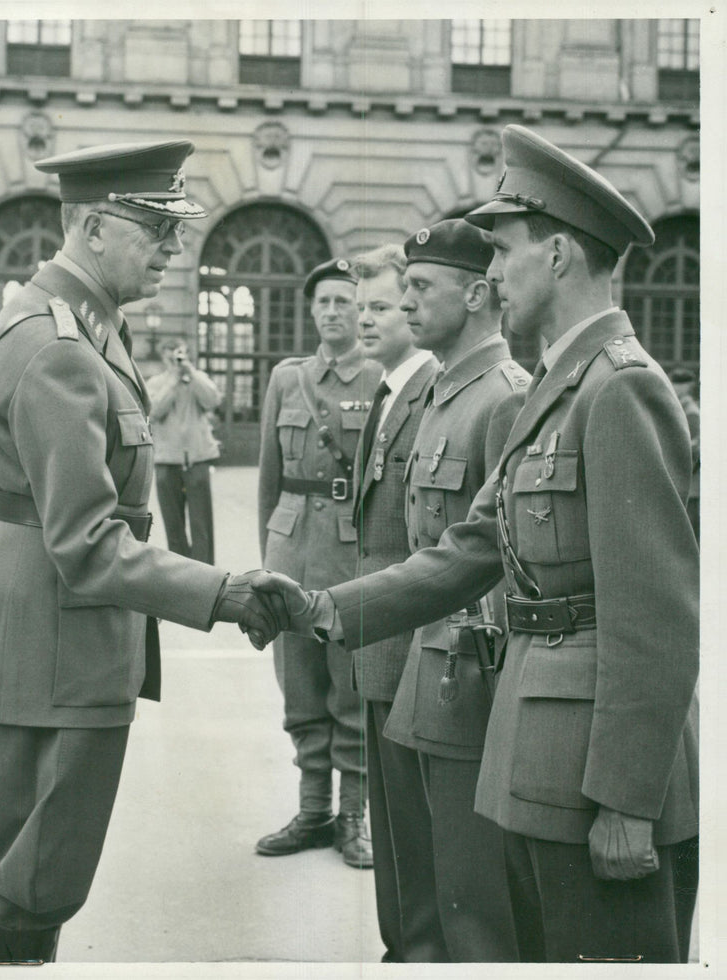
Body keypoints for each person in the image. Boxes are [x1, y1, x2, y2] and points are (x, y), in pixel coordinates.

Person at [258, 124, 699, 964]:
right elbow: (470, 550)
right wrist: (320, 609)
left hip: (596, 780)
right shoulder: (558, 391)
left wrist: (629, 801)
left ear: (560, 255)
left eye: (503, 251)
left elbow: (658, 618)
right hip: (537, 760)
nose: (491, 275)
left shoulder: (621, 389)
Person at [0, 139, 289, 964]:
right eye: (156, 230)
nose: (174, 251)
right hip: (54, 646)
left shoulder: (78, 324)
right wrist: (225, 591)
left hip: (53, 641)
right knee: (35, 883)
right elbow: (89, 544)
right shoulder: (60, 347)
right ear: (96, 227)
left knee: (39, 876)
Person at [378, 218, 527, 961]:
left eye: (419, 287)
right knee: (423, 903)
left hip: (471, 686)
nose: (404, 303)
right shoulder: (443, 389)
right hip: (423, 676)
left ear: (476, 294)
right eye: (404, 287)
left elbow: (505, 557)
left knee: (475, 910)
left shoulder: (504, 397)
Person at [255, 257, 381, 868]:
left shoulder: (381, 377)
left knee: (350, 689)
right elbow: (267, 480)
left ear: (362, 311)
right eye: (324, 302)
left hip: (352, 552)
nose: (333, 312)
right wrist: (266, 557)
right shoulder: (287, 379)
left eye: (344, 302)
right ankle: (312, 810)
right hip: (290, 546)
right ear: (311, 311)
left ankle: (353, 815)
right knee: (299, 686)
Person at [350, 244, 440, 959]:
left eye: (381, 306)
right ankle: (401, 948)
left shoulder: (436, 392)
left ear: (415, 307)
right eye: (361, 308)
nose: (366, 320)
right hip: (382, 645)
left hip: (420, 649)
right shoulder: (388, 393)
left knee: (419, 835)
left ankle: (415, 952)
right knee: (395, 834)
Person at [147, 338, 221, 563]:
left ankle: (207, 576)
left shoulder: (198, 379)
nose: (173, 357)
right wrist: (172, 382)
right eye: (168, 353)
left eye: (178, 353)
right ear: (163, 356)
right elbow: (155, 410)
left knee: (202, 525)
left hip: (197, 460)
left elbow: (212, 400)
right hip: (166, 461)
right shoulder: (156, 382)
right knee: (174, 525)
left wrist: (191, 374)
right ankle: (180, 575)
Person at [669, 366, 700, 541]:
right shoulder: (680, 406)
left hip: (691, 478)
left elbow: (693, 447)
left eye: (677, 384)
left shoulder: (691, 411)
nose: (673, 387)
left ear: (687, 386)